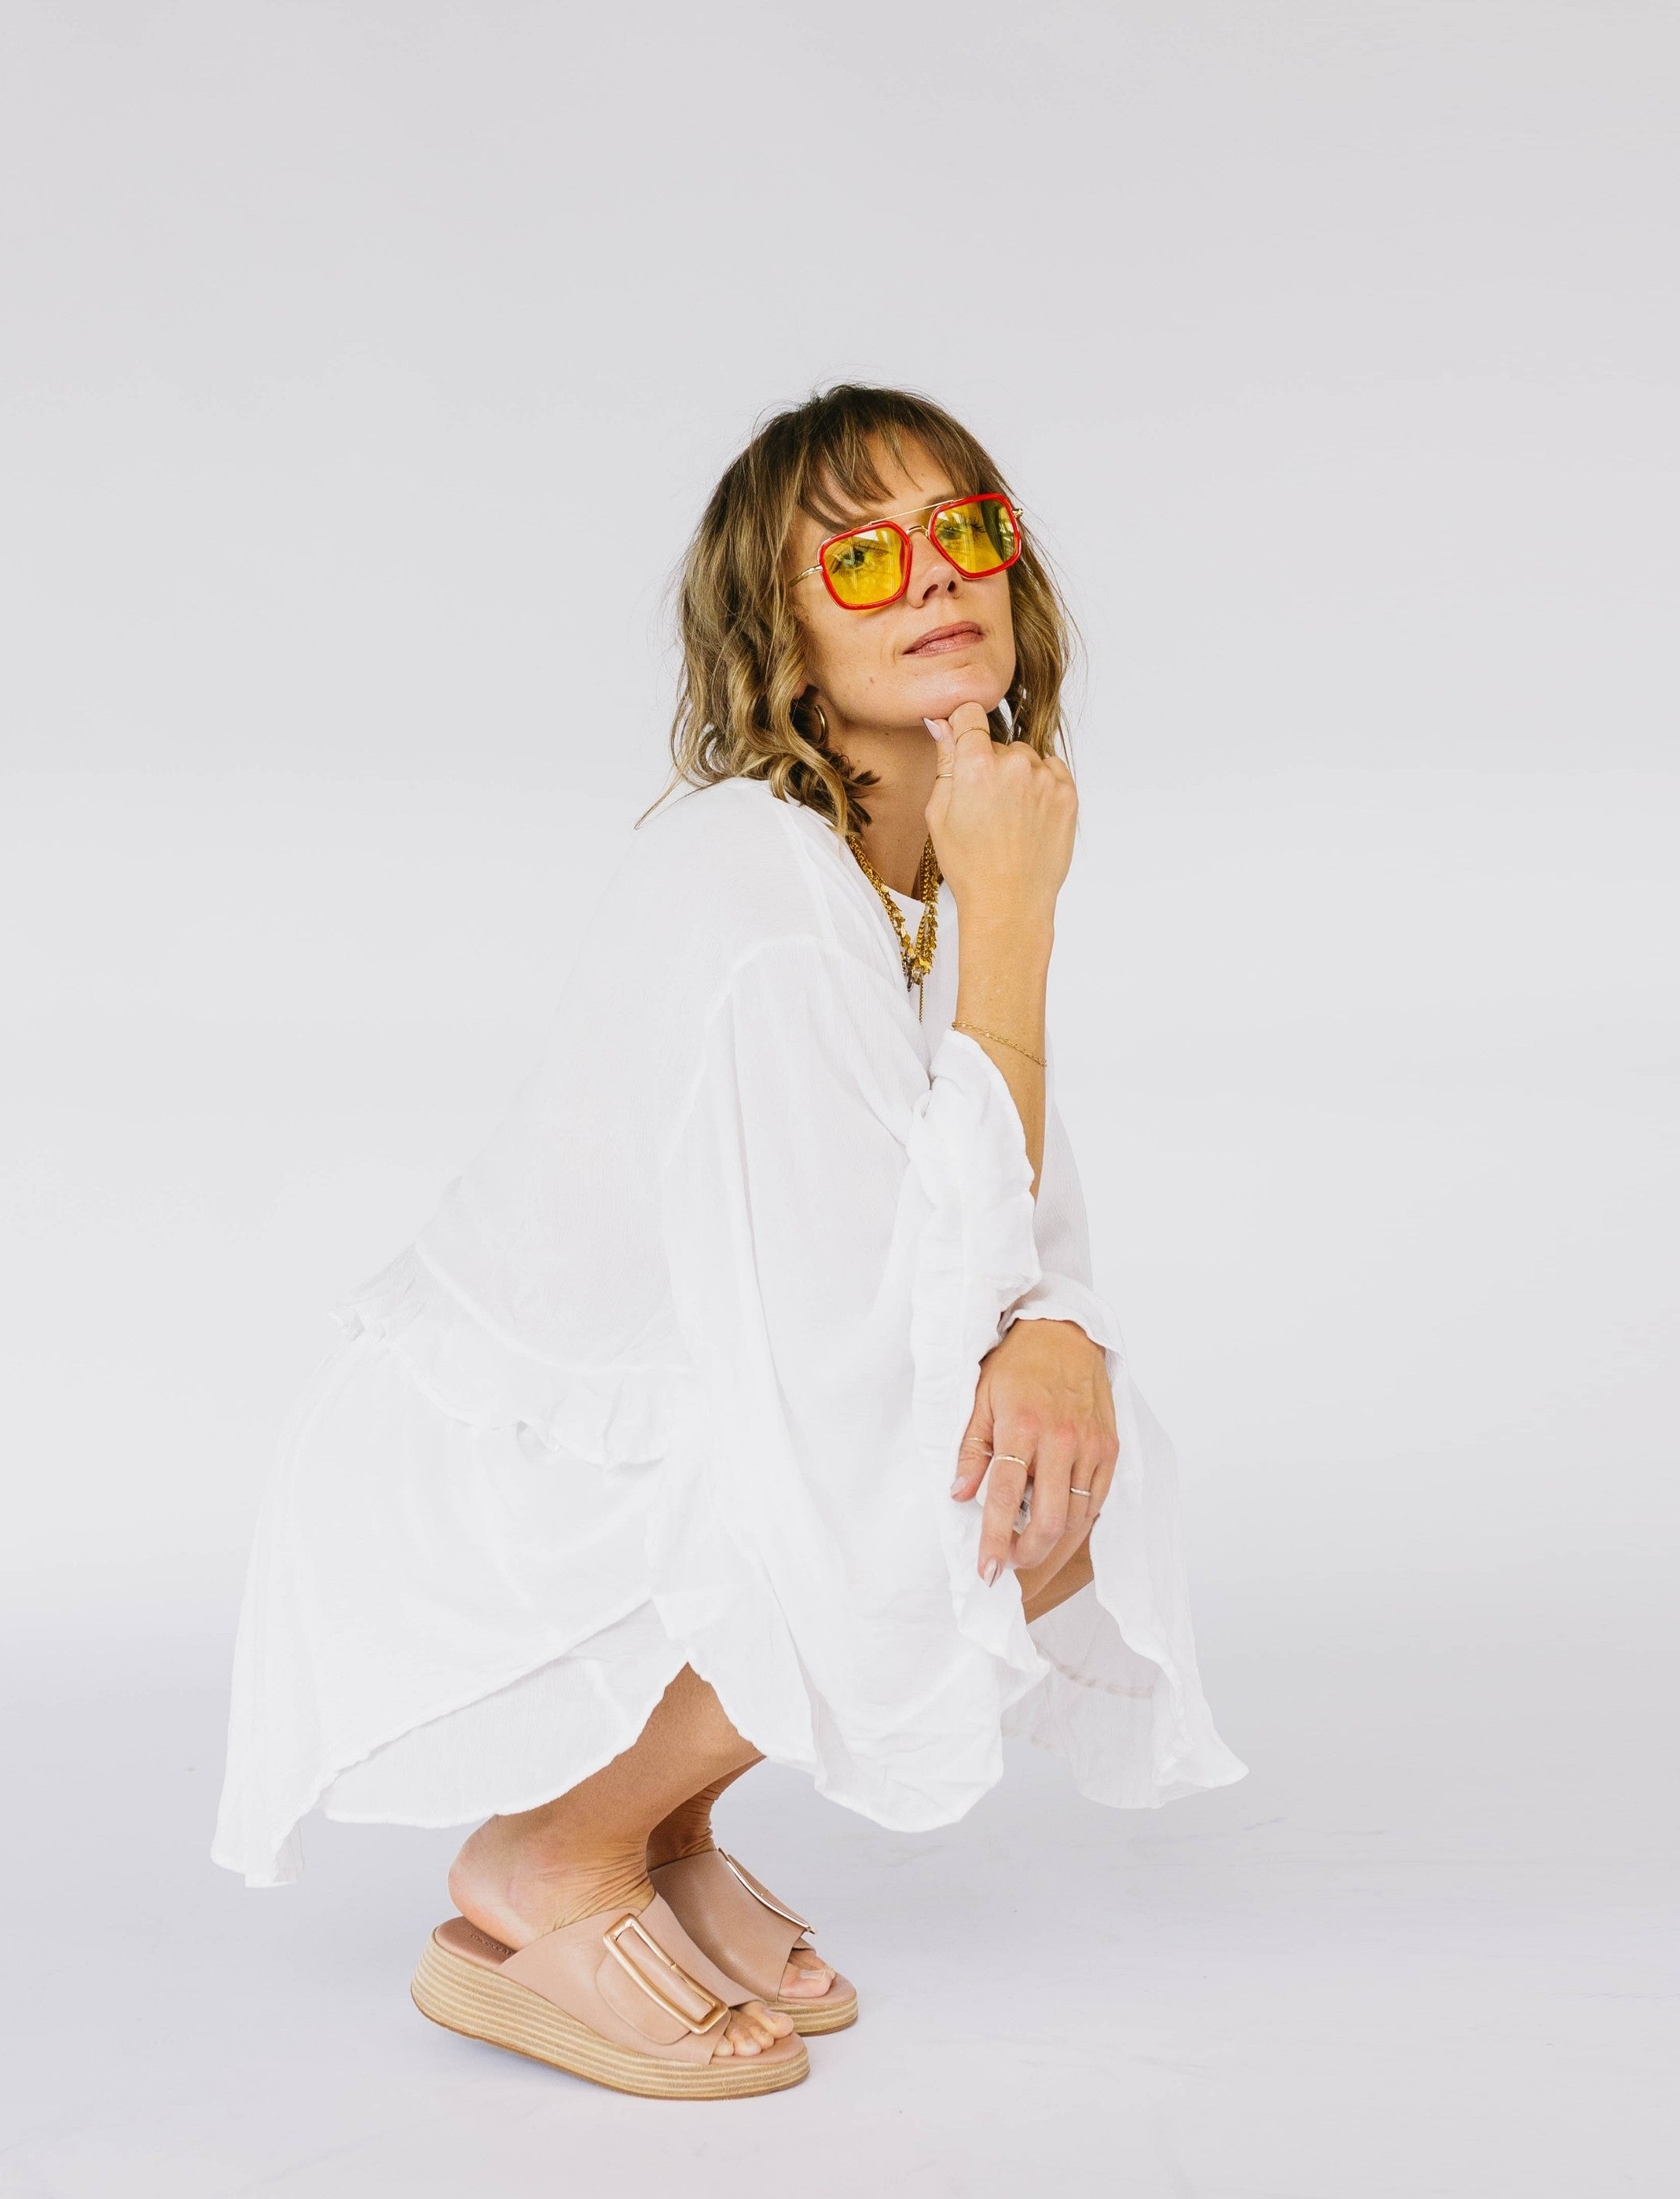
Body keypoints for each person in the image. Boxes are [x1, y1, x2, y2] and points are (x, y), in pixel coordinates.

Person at [212, 384, 1244, 2097]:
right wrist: (1017, 924)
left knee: (1059, 1442)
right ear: (781, 629)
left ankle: (661, 1829)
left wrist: (1055, 1318)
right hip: (508, 1486)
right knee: (984, 1482)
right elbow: (866, 1347)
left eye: (965, 527)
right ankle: (550, 1859)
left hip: (656, 1432)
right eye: (863, 556)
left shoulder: (900, 865)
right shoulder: (762, 893)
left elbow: (986, 1222)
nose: (936, 572)